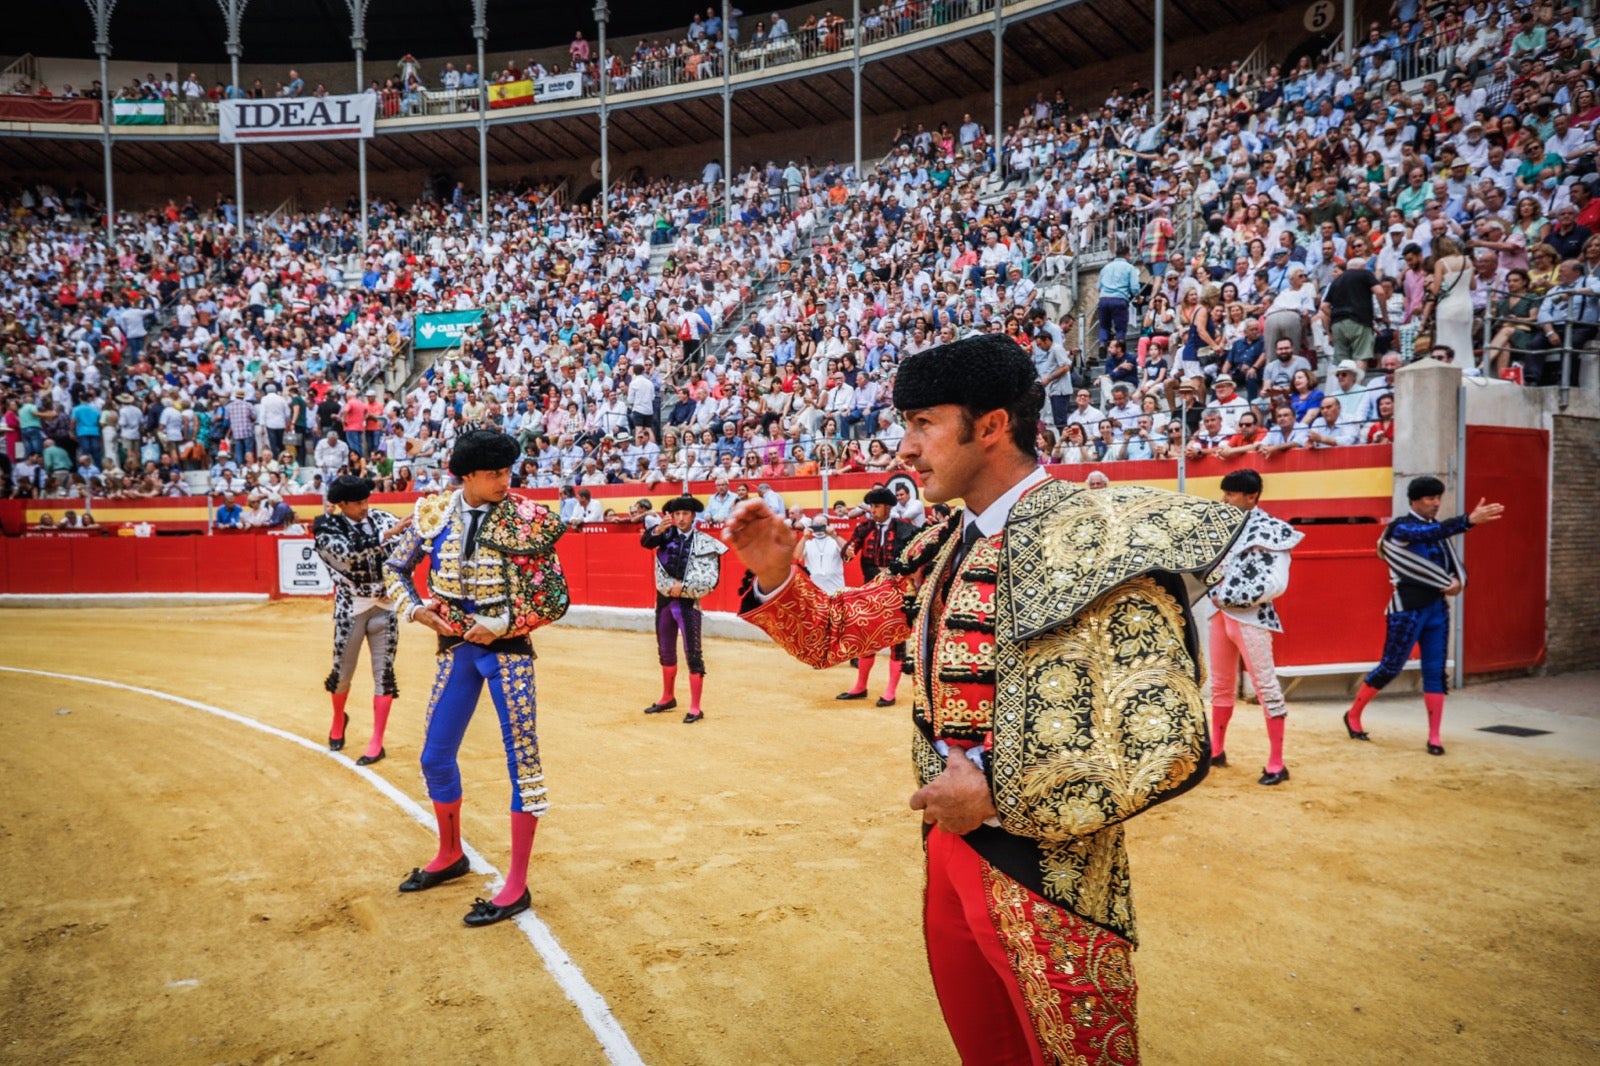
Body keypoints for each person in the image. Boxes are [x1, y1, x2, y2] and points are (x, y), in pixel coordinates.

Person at [725, 334, 1244, 1063]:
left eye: (923, 423)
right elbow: (835, 636)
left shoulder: (1103, 538)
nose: (904, 448)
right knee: (987, 1048)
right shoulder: (941, 543)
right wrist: (777, 577)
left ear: (992, 425)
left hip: (1052, 866)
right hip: (949, 841)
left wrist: (997, 800)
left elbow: (1167, 743)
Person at [384, 429, 570, 927]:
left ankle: (516, 884)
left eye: (508, 471)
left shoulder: (526, 519)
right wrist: (417, 610)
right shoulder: (434, 512)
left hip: (507, 650)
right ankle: (450, 854)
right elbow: (395, 569)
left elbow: (553, 598)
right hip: (456, 647)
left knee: (523, 763)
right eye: (494, 474)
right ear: (466, 475)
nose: (504, 482)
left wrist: (503, 623)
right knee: (434, 755)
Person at [1343, 477, 1505, 756]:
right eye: (1430, 498)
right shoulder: (1401, 528)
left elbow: (1448, 560)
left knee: (1434, 671)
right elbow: (1425, 535)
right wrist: (1469, 520)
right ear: (1415, 500)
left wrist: (1457, 583)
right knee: (1391, 667)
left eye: (1438, 498)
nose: (1436, 503)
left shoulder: (1434, 529)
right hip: (1406, 608)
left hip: (1436, 608)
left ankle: (1434, 737)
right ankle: (1354, 714)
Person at [1206, 470, 1304, 786]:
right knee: (1221, 685)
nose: (1224, 500)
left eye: (1231, 494)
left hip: (1251, 617)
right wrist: (1216, 596)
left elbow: (1276, 583)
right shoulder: (1223, 526)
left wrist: (1228, 596)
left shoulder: (1272, 531)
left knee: (1265, 686)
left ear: (1251, 497)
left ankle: (1277, 763)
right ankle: (1216, 750)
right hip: (1220, 615)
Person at [312, 475, 408, 764]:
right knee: (341, 674)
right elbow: (349, 555)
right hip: (350, 609)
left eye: (366, 500)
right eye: (357, 503)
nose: (365, 507)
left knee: (384, 675)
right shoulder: (327, 527)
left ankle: (377, 742)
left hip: (385, 607)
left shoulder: (379, 518)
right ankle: (339, 719)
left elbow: (407, 542)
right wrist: (389, 535)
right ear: (341, 504)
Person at [640, 495, 726, 724]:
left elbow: (711, 579)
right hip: (665, 600)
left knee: (693, 653)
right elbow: (645, 543)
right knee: (665, 649)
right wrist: (658, 529)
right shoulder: (664, 534)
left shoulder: (705, 542)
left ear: (693, 516)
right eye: (676, 514)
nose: (680, 518)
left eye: (685, 514)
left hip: (688, 603)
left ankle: (696, 707)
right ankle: (668, 696)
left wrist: (685, 587)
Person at [839, 486, 917, 706]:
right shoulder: (864, 528)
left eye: (876, 506)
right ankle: (860, 686)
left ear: (888, 507)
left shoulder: (904, 528)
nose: (872, 510)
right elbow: (849, 549)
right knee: (866, 640)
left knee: (897, 641)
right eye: (871, 506)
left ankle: (890, 691)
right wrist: (848, 552)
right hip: (871, 590)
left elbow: (914, 558)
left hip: (896, 591)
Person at [797, 514, 847, 594]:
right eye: (816, 524)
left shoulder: (835, 541)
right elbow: (796, 557)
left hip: (836, 589)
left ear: (828, 526)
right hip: (814, 591)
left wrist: (834, 534)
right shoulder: (807, 543)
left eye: (822, 524)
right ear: (811, 526)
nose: (819, 526)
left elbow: (848, 551)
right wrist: (804, 537)